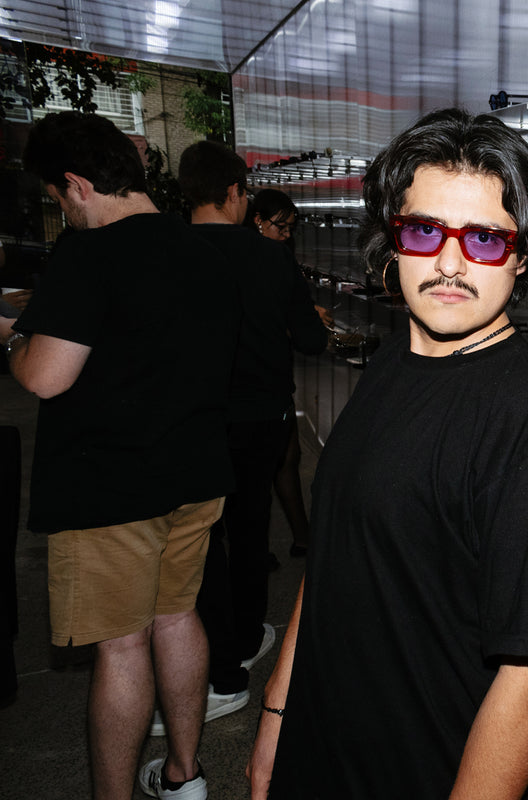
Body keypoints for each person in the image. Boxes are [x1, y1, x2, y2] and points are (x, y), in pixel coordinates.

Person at [246, 107, 528, 799]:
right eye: (425, 230)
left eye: (485, 240)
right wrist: (276, 720)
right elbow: (335, 559)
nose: (449, 264)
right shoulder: (393, 364)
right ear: (394, 240)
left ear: (523, 257)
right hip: (328, 754)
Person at [0, 111, 238, 800]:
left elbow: (47, 376)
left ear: (77, 184)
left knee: (123, 645)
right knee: (178, 617)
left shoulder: (89, 255)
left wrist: (13, 340)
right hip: (195, 475)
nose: (62, 211)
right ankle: (184, 775)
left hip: (110, 488)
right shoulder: (206, 251)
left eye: (58, 197)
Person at [175, 141, 328, 732]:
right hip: (262, 415)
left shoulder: (170, 251)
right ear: (236, 192)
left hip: (192, 418)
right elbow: (309, 341)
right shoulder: (269, 258)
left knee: (200, 537)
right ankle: (243, 638)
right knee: (248, 525)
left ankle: (212, 646)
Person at [249, 187, 327, 558]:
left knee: (285, 459)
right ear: (257, 221)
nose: (286, 234)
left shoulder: (269, 256)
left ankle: (297, 538)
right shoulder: (265, 259)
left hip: (270, 382)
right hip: (262, 382)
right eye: (280, 226)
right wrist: (301, 322)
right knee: (274, 463)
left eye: (291, 227)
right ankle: (267, 547)